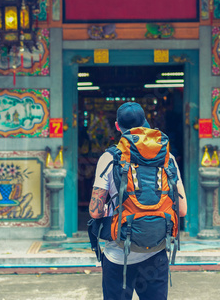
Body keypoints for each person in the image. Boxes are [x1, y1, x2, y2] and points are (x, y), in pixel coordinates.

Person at [89, 102, 187, 300]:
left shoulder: (109, 157)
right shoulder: (167, 157)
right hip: (156, 252)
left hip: (118, 255)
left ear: (117, 126)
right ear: (146, 124)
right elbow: (182, 210)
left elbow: (95, 212)